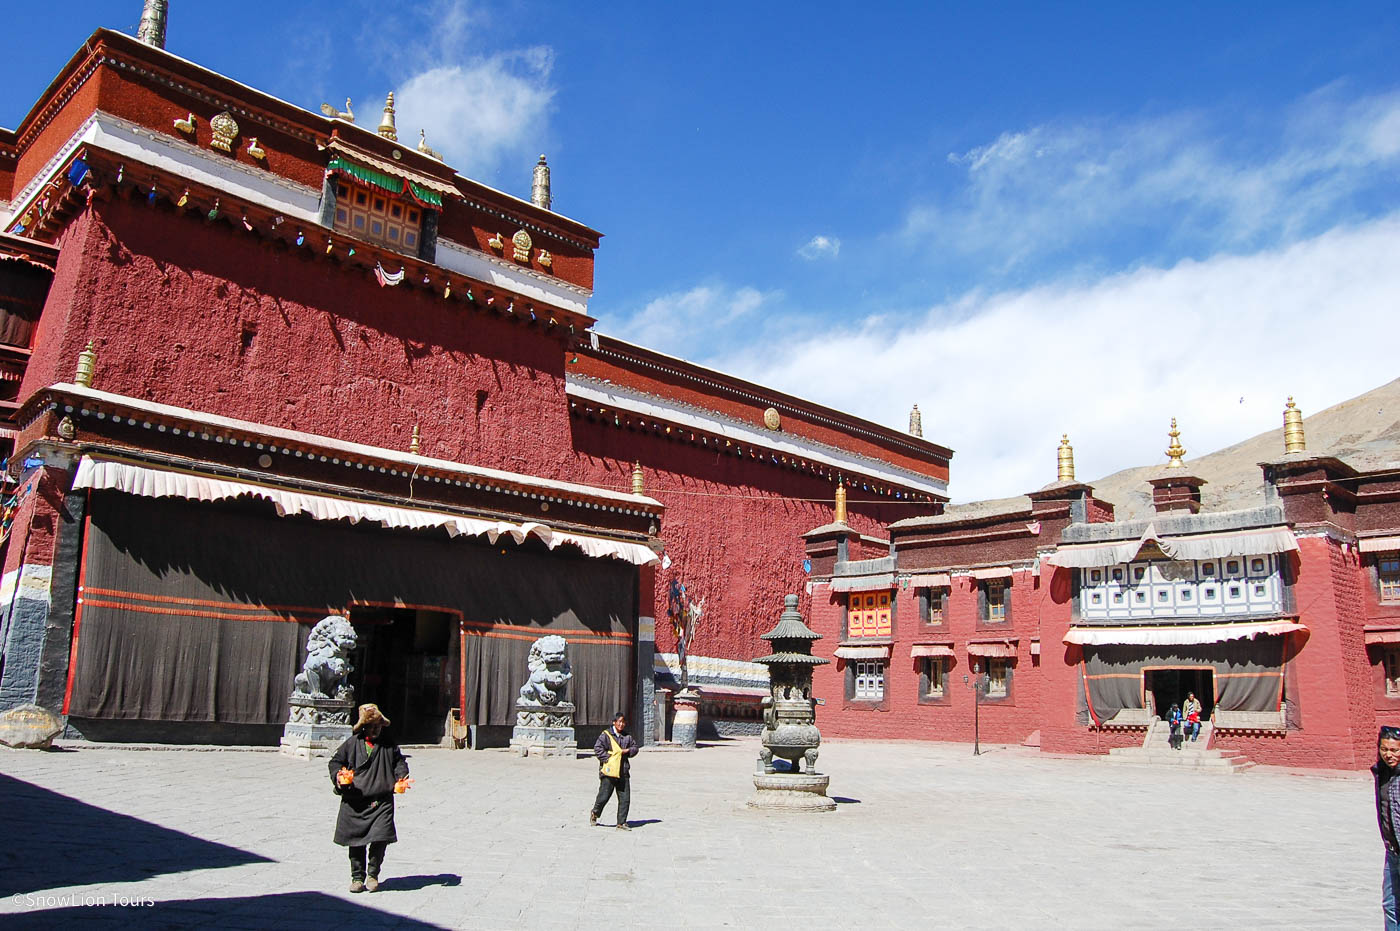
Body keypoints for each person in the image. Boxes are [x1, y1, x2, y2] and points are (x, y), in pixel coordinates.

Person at [329, 703, 412, 893]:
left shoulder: (388, 744)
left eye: (378, 726)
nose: (375, 730)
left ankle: (373, 875)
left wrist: (401, 776)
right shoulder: (351, 744)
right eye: (371, 726)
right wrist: (339, 777)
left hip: (381, 799)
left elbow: (399, 762)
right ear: (363, 727)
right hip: (355, 799)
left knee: (380, 838)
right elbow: (335, 762)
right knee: (355, 840)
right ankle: (357, 877)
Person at [590, 711, 639, 830]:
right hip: (609, 771)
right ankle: (595, 812)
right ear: (614, 722)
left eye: (623, 722)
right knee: (604, 796)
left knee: (625, 798)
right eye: (619, 722)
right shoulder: (606, 735)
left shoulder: (627, 736)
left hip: (623, 771)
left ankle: (621, 822)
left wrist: (627, 751)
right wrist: (608, 759)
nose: (621, 725)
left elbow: (635, 748)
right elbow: (598, 748)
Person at [1374, 725, 1400, 929]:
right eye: (1385, 749)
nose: (1388, 755)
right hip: (1392, 852)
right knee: (1390, 904)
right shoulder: (1381, 773)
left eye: (1394, 750)